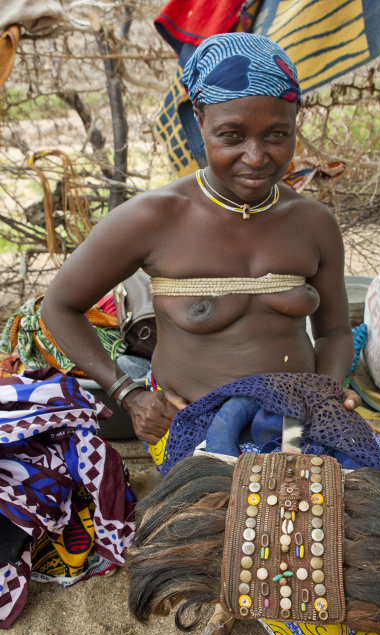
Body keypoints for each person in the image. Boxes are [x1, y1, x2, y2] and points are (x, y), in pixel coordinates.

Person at [41, 33, 360, 454]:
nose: (256, 156)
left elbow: (335, 331)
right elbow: (59, 306)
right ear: (200, 119)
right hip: (195, 428)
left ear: (296, 121)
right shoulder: (154, 218)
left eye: (277, 135)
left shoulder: (313, 223)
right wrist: (129, 395)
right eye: (231, 136)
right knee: (237, 517)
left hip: (299, 421)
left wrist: (328, 393)